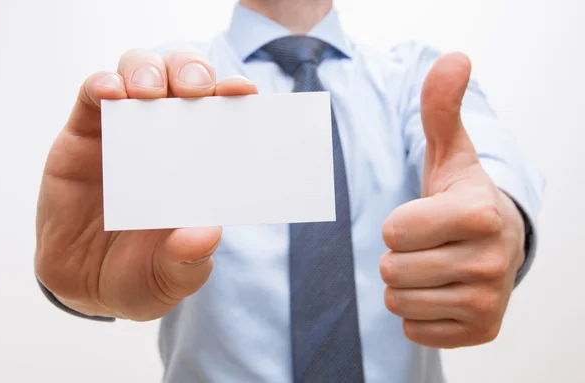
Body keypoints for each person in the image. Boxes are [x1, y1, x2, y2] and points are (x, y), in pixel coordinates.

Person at [34, 0, 545, 382]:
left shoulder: (413, 75)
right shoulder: (159, 90)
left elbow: (491, 170)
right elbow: (97, 254)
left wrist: (500, 224)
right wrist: (78, 287)